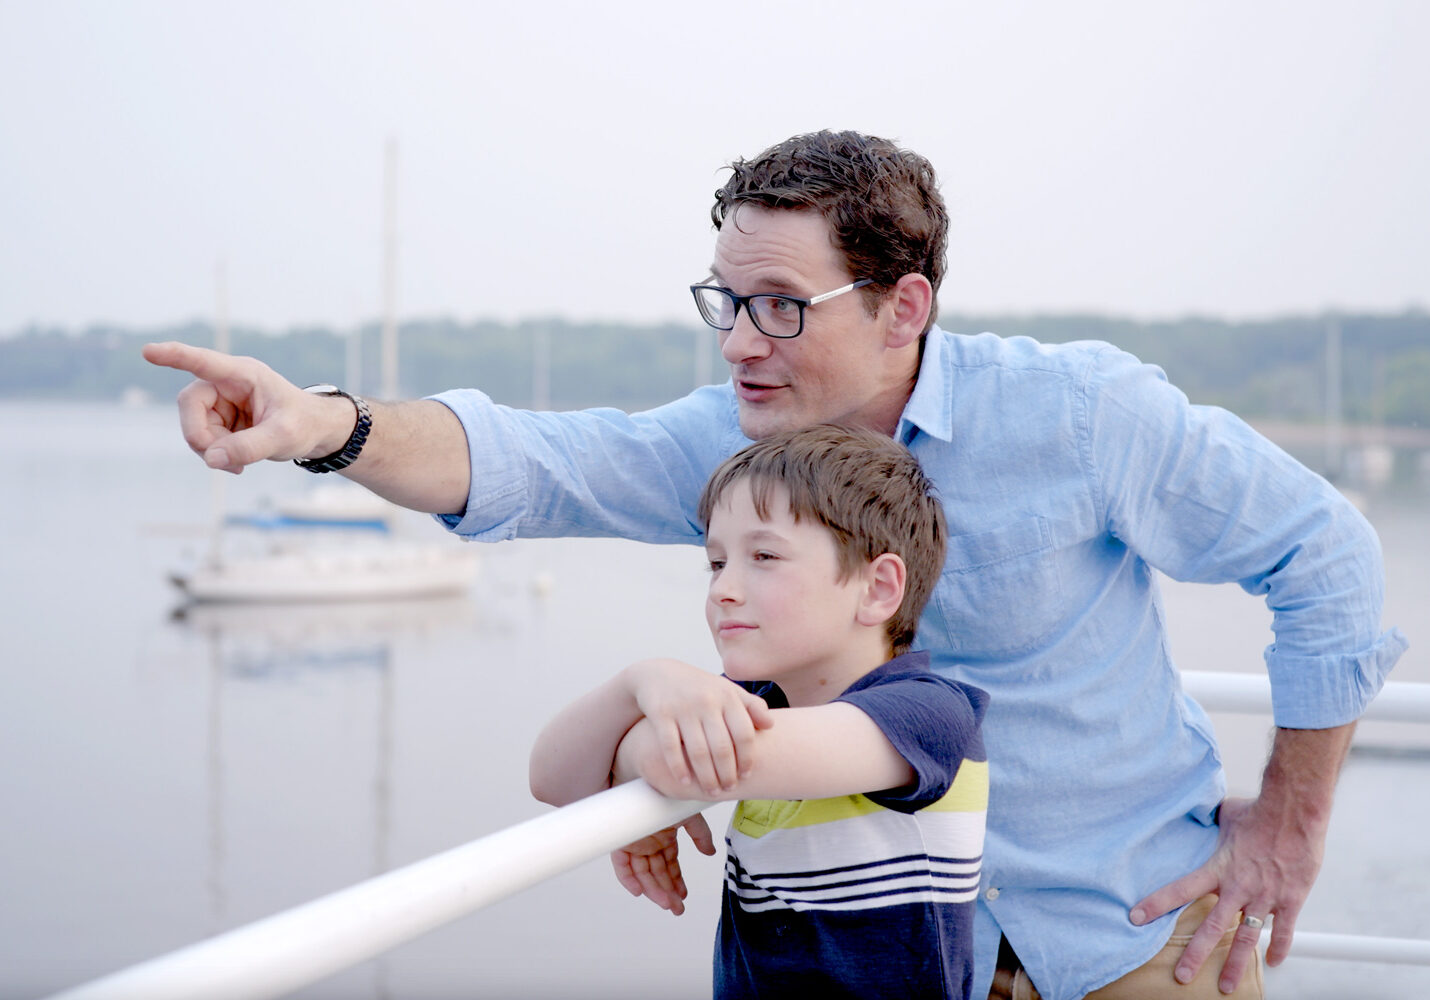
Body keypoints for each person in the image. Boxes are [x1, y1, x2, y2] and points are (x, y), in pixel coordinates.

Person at [143, 129, 1407, 1000]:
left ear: (901, 306)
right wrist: (322, 426)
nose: (741, 341)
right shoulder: (731, 441)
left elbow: (1326, 556)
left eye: (781, 306)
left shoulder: (1080, 414)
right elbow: (530, 458)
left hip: (1142, 942)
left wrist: (1287, 829)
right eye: (726, 300)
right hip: (904, 971)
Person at [529, 424, 990, 999]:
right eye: (717, 563)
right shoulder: (758, 701)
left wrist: (636, 758)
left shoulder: (926, 714)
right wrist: (639, 683)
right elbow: (551, 777)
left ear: (877, 589)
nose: (724, 589)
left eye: (764, 556)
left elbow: (680, 765)